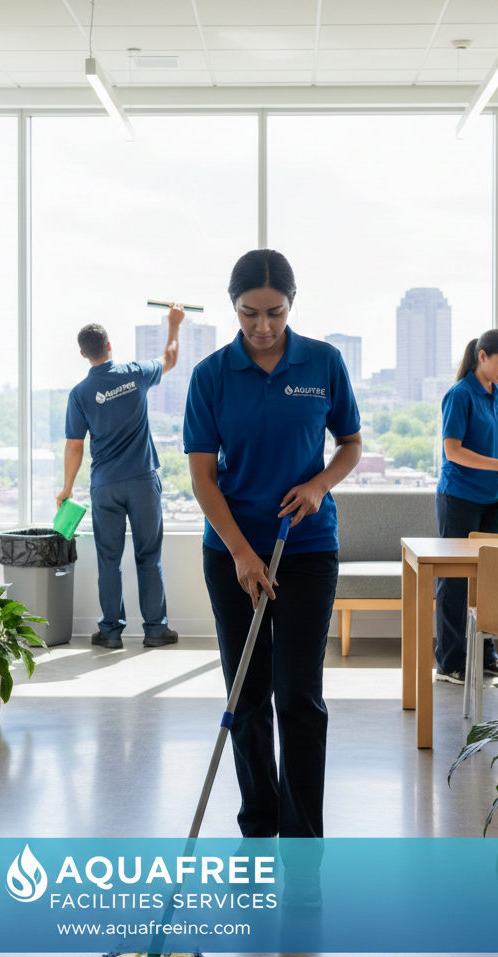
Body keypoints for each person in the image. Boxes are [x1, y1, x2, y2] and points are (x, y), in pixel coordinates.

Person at [183, 249, 362, 866]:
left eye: (275, 312)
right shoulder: (211, 375)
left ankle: (303, 835)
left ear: (292, 303)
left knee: (298, 694)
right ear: (233, 306)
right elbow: (203, 477)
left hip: (307, 548)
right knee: (247, 693)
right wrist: (240, 552)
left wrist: (318, 486)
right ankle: (259, 823)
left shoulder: (324, 362)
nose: (262, 326)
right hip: (233, 551)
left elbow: (351, 444)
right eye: (249, 313)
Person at [57, 305, 183, 650]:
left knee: (109, 560)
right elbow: (169, 359)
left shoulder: (80, 393)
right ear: (109, 346)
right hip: (142, 480)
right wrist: (173, 324)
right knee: (148, 556)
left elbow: (74, 447)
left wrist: (67, 488)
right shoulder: (134, 373)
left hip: (105, 486)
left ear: (84, 354)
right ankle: (155, 630)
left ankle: (110, 632)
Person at [435, 329, 498, 684]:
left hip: (494, 498)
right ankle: (449, 663)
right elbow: (454, 451)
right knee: (455, 580)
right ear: (482, 357)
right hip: (460, 497)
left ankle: (486, 655)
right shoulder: (460, 395)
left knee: (490, 577)